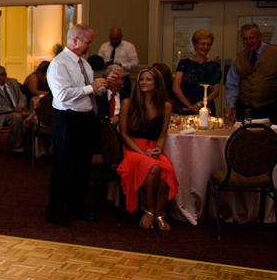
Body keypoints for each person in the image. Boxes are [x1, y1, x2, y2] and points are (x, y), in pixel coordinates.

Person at [45, 24, 107, 227]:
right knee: (64, 166)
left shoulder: (84, 64)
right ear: (75, 41)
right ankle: (54, 212)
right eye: (88, 42)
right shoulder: (59, 64)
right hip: (67, 119)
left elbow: (88, 92)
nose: (90, 45)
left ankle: (75, 208)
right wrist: (91, 87)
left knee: (82, 166)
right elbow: (62, 95)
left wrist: (101, 86)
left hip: (85, 119)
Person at [116, 67, 179, 231]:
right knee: (155, 167)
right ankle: (149, 210)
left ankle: (159, 214)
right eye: (142, 79)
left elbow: (162, 135)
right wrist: (142, 152)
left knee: (167, 170)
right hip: (133, 149)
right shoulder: (128, 103)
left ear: (157, 85)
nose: (144, 82)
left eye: (148, 79)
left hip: (153, 148)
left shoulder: (166, 106)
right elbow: (124, 134)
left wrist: (158, 149)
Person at [225, 23, 277, 123]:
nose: (248, 42)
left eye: (252, 38)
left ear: (260, 36)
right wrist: (231, 105)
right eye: (245, 39)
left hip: (271, 107)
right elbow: (232, 84)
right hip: (245, 107)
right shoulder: (239, 58)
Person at [173, 29, 221, 115]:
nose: (206, 47)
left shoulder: (214, 66)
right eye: (203, 44)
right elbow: (176, 88)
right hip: (184, 108)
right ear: (195, 45)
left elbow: (216, 92)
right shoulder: (184, 63)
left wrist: (199, 104)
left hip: (205, 109)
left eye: (208, 44)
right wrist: (190, 106)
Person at [0, 66, 29, 157]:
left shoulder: (13, 82)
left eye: (2, 75)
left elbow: (22, 97)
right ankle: (19, 149)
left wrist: (20, 107)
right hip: (4, 114)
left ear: (6, 75)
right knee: (17, 118)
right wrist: (13, 110)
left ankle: (30, 145)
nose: (0, 77)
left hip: (19, 110)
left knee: (33, 118)